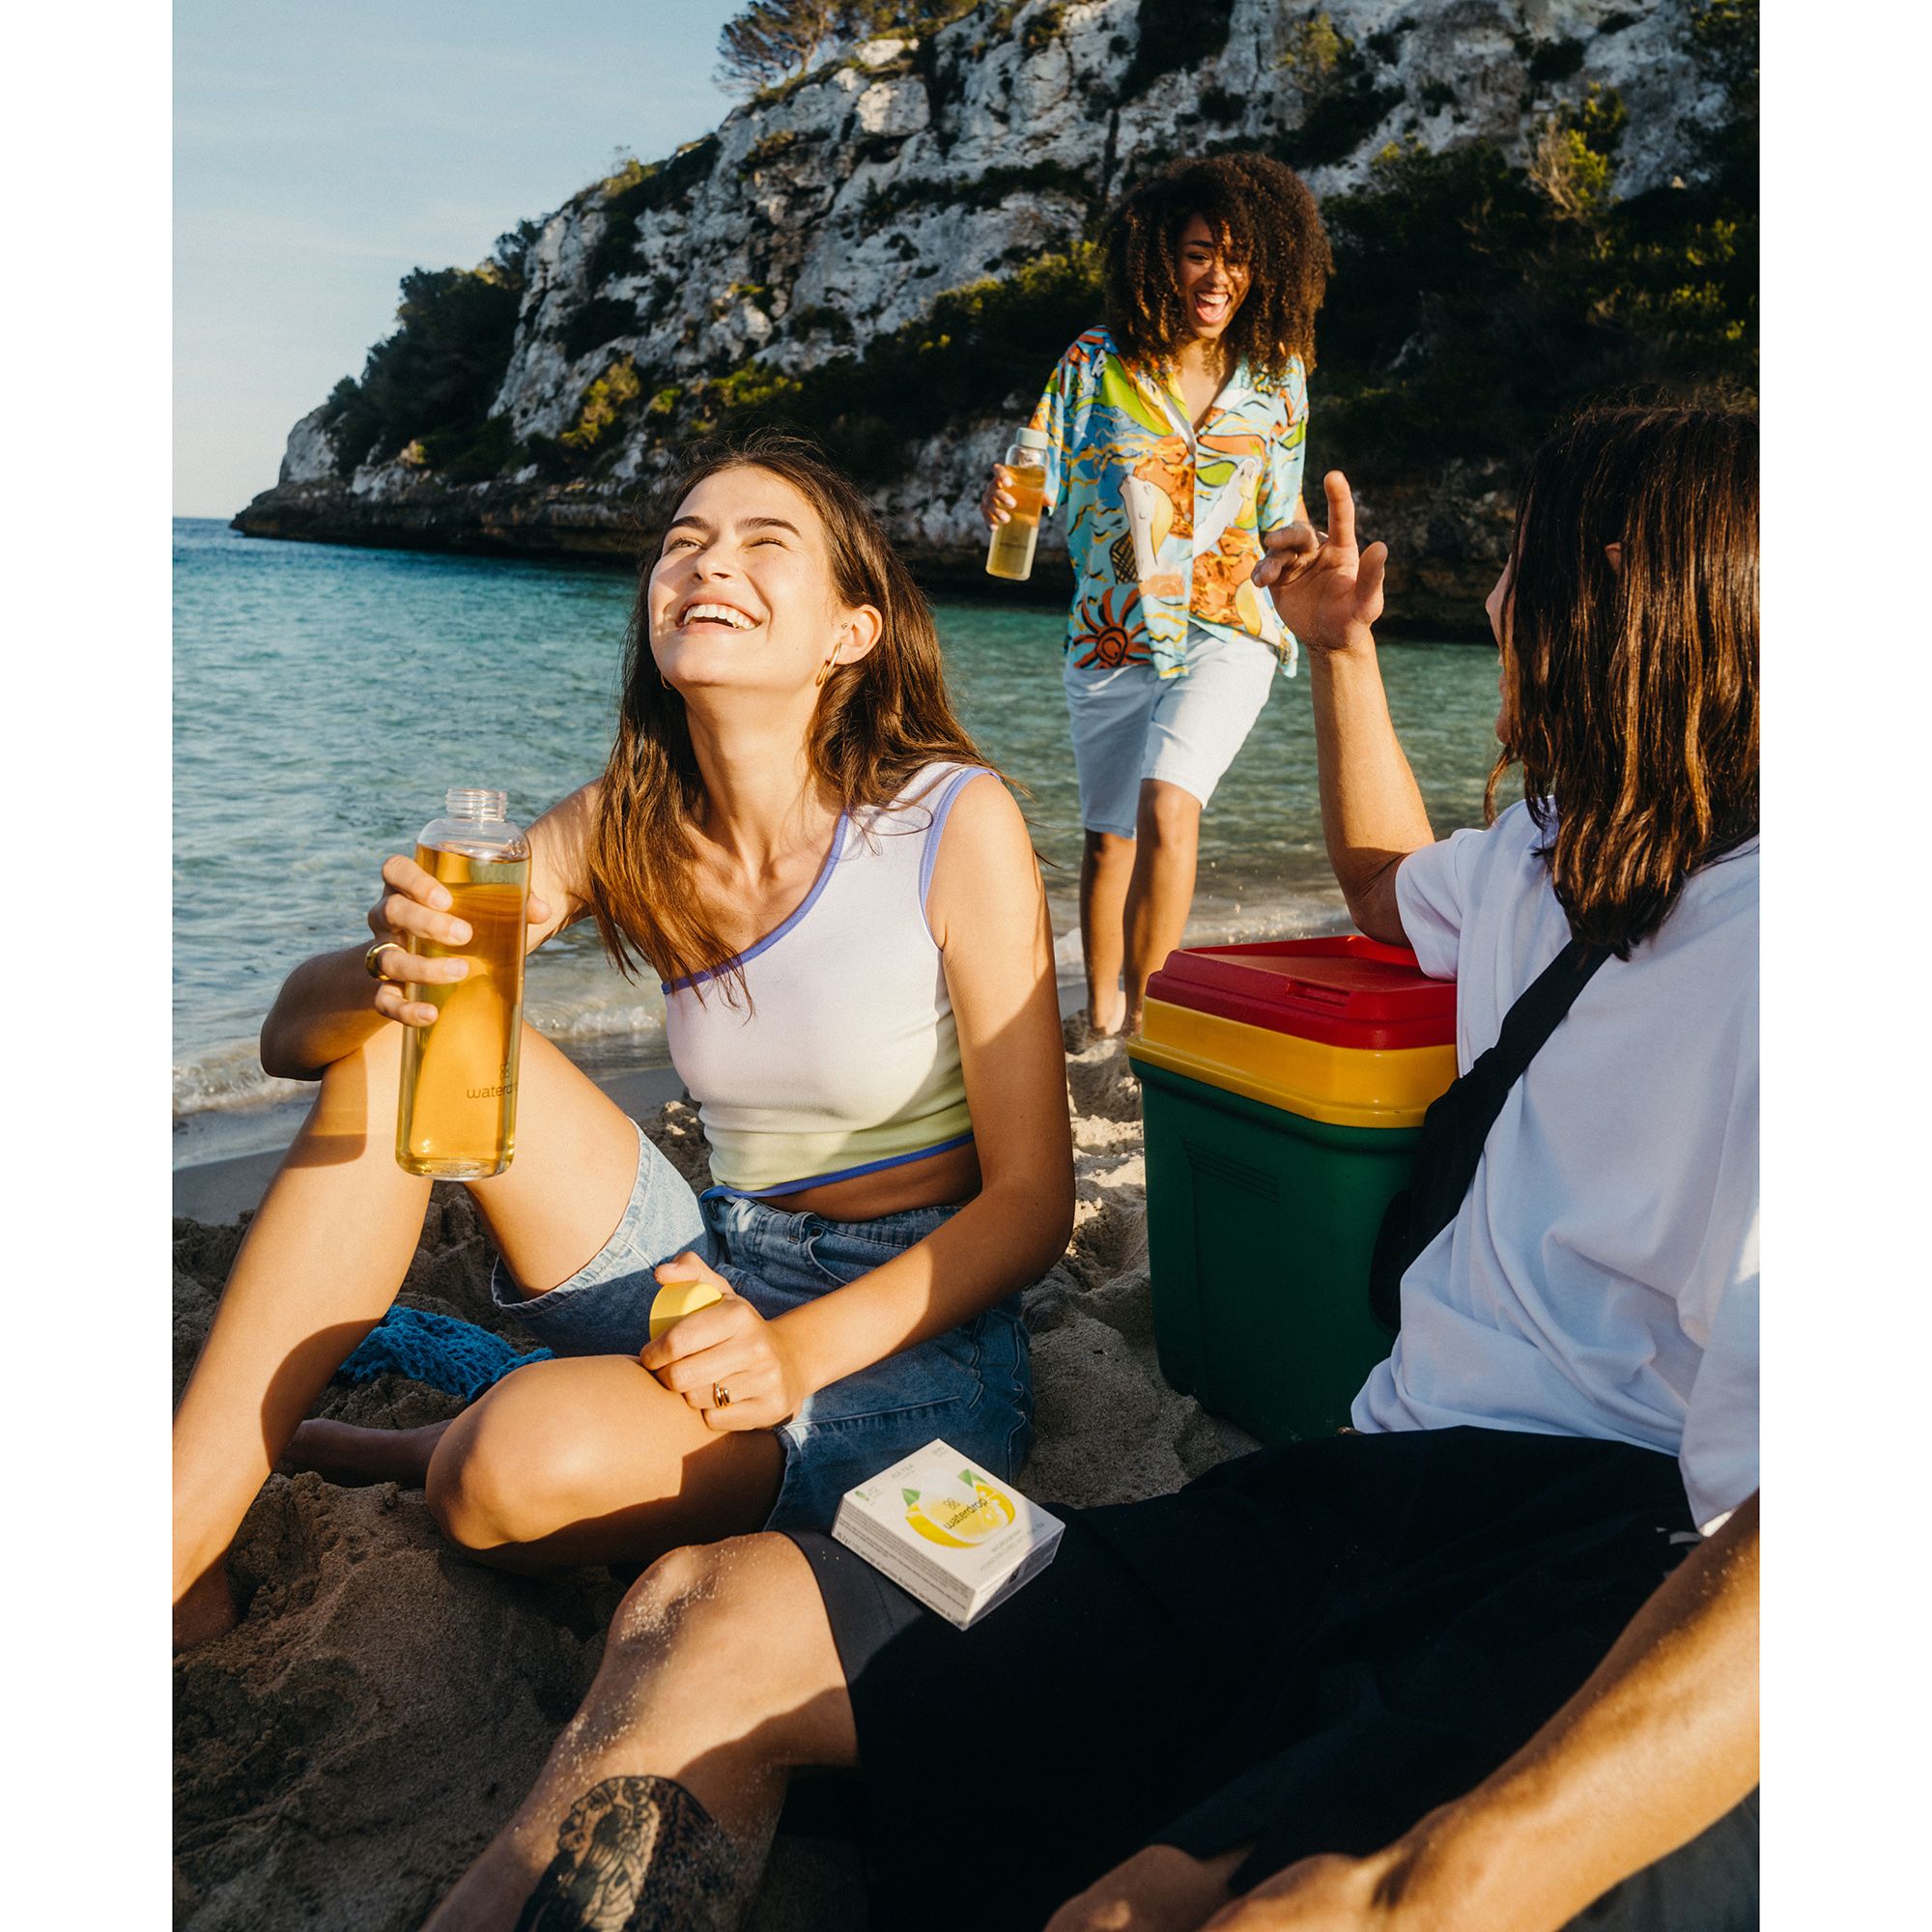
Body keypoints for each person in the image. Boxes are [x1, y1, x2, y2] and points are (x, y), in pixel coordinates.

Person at [423, 403, 1759, 1932]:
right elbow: (1393, 887)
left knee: (1138, 1909)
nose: (1500, 602)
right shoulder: (1560, 856)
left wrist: (1450, 1883)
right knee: (711, 1613)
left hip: (1581, 1560)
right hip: (1324, 1506)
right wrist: (1336, 651)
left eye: (1520, 568)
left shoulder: (1790, 954)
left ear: (1620, 607)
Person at [171, 437, 1075, 1648]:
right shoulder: (624, 822)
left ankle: (411, 1447)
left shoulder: (949, 820)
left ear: (849, 635)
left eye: (765, 543)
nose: (707, 563)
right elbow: (295, 1039)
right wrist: (397, 963)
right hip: (709, 1258)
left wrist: (791, 1354)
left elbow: (1033, 1205)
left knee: (498, 1472)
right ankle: (182, 1539)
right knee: (412, 1042)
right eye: (683, 542)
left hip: (903, 1333)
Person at [982, 153, 1331, 1037]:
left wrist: (1309, 551)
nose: (1220, 276)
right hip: (1113, 631)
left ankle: (1152, 1022)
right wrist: (1006, 504)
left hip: (1230, 624)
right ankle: (1101, 1024)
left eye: (1239, 256)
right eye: (1199, 252)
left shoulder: (1278, 372)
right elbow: (1036, 480)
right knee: (1109, 839)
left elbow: (1277, 507)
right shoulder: (1094, 365)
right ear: (1160, 259)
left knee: (1169, 803)